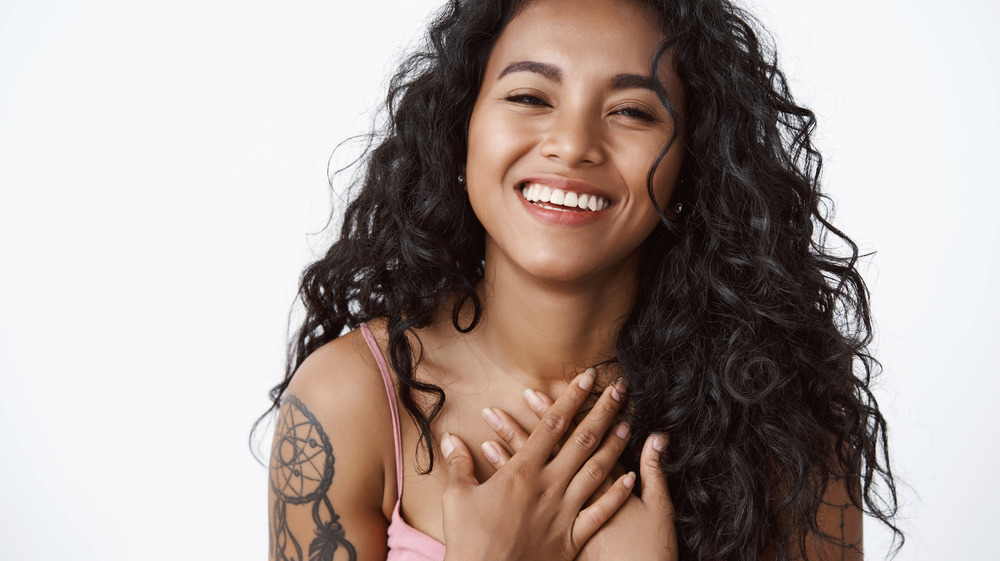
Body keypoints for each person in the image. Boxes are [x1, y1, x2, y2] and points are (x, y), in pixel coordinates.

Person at [258, 0, 902, 559]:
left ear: (694, 165)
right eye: (529, 97)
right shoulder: (353, 401)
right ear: (460, 133)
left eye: (631, 112)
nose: (572, 144)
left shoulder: (786, 419)